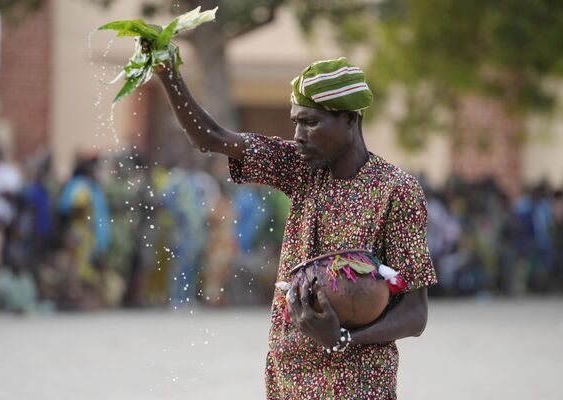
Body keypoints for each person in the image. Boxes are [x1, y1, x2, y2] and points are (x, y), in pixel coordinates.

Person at [156, 55, 437, 399]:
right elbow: (210, 137)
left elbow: (416, 314)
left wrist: (343, 339)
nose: (298, 136)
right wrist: (168, 74)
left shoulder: (396, 190)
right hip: (288, 375)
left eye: (310, 123)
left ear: (349, 119)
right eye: (295, 123)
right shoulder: (300, 169)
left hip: (358, 382)